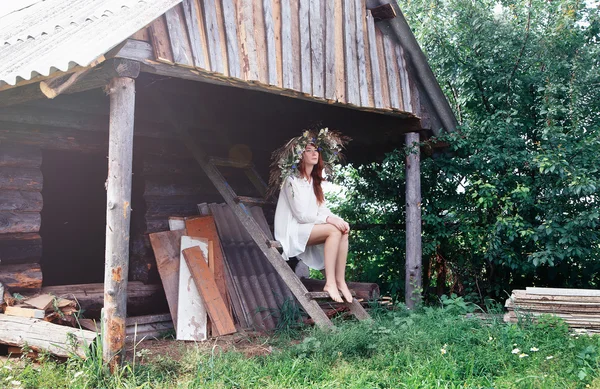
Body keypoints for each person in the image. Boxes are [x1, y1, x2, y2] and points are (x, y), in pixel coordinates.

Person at [268, 129, 353, 303]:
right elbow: (301, 215)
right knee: (333, 231)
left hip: (308, 227)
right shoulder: (291, 181)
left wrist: (336, 219)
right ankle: (330, 282)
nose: (314, 153)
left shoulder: (314, 181)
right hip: (291, 230)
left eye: (316, 150)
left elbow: (323, 210)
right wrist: (329, 220)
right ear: (300, 155)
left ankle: (340, 280)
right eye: (309, 150)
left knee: (343, 229)